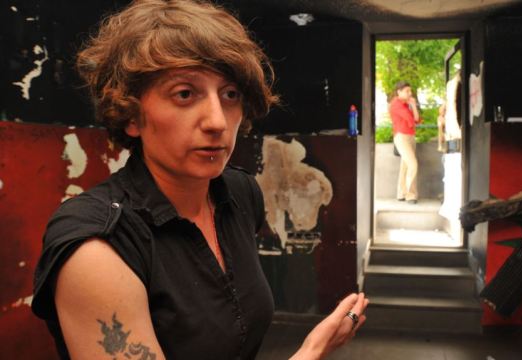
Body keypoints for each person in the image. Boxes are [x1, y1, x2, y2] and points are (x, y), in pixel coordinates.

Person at [30, 1, 368, 359]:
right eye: (185, 94)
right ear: (131, 115)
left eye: (230, 95)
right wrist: (312, 351)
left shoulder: (239, 195)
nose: (218, 121)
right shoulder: (98, 247)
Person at [389, 81, 420, 204]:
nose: (409, 93)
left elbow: (416, 120)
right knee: (413, 164)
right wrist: (412, 105)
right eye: (407, 91)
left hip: (411, 136)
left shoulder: (407, 104)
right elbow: (411, 119)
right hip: (401, 137)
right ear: (399, 92)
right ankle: (410, 195)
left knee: (405, 166)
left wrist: (413, 105)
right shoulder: (396, 104)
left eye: (410, 91)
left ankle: (401, 193)